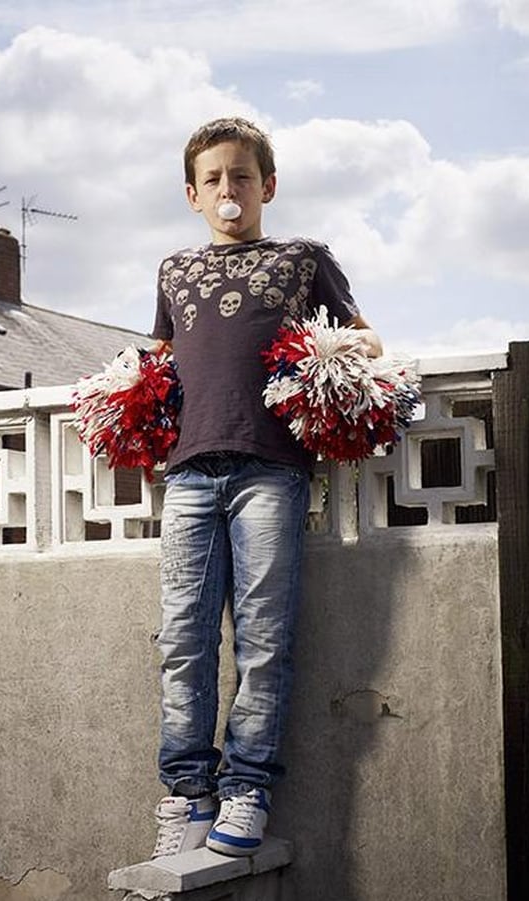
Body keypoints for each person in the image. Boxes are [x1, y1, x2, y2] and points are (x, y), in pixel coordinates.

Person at [150, 116, 382, 858]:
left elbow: (365, 334)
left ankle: (247, 789)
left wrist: (340, 351)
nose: (228, 190)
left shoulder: (304, 258)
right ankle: (188, 796)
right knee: (184, 640)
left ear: (267, 186)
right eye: (213, 179)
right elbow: (160, 357)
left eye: (241, 177)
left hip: (271, 470)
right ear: (192, 194)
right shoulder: (173, 271)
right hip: (187, 472)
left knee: (263, 640)